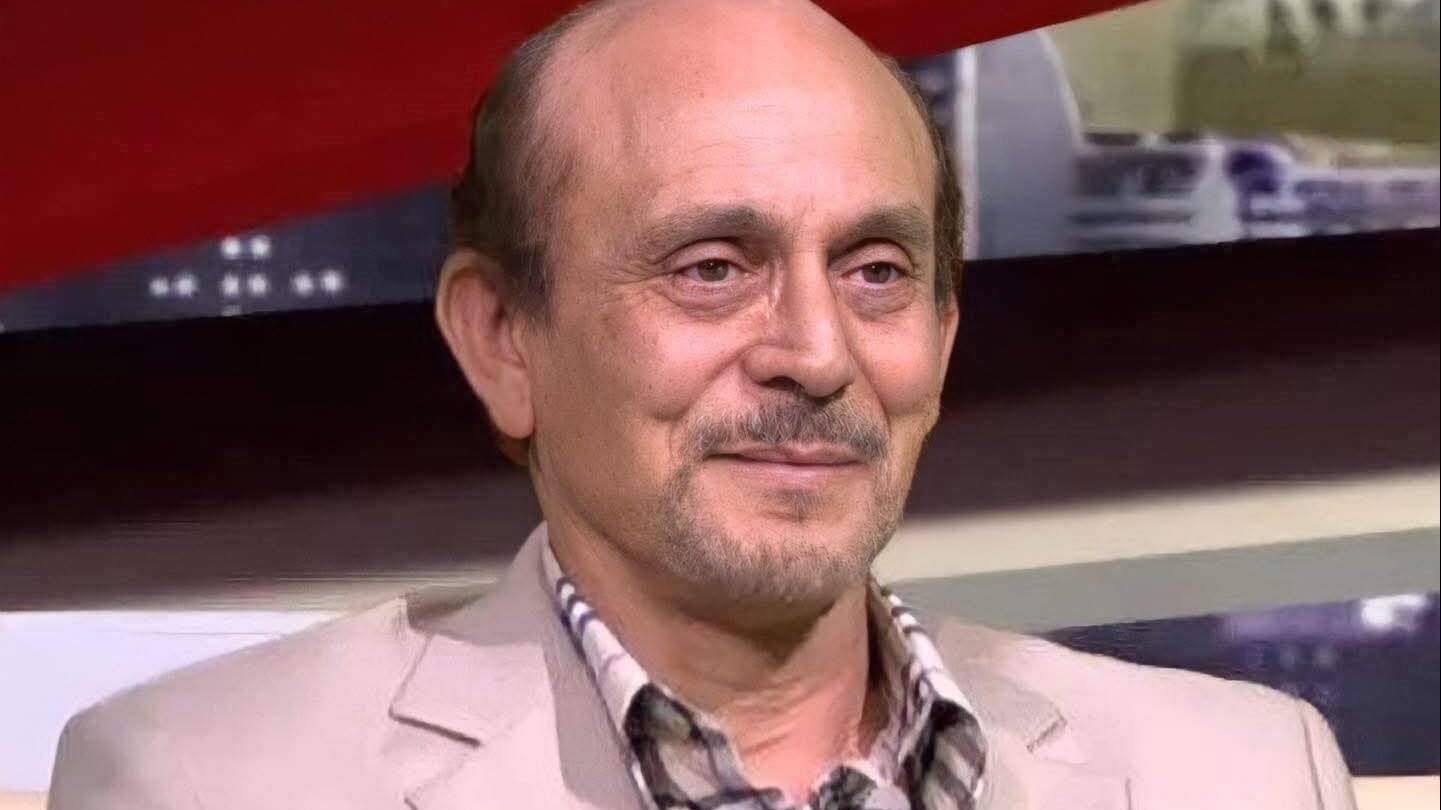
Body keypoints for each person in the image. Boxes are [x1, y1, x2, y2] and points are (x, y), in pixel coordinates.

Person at [48, 1, 1357, 808]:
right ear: (501, 338)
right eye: (712, 268)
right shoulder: (205, 780)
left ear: (944, 336)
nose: (815, 353)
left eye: (876, 272)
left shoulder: (1247, 775)